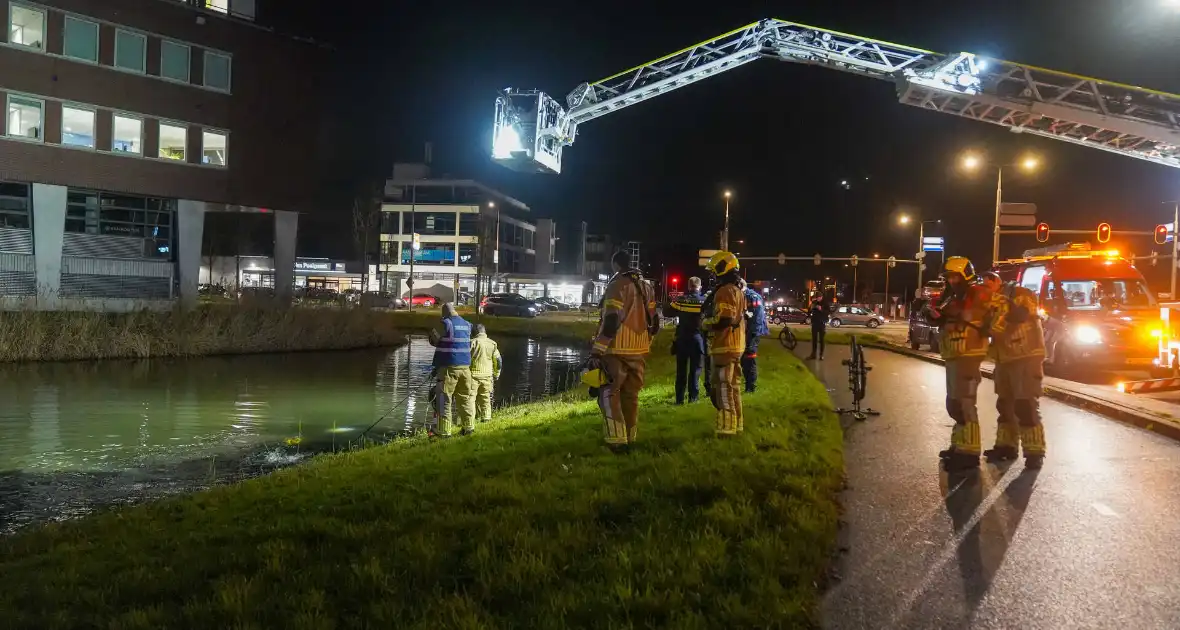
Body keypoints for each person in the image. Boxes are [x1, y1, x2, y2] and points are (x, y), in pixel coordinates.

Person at [926, 257, 993, 471]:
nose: (951, 281)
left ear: (965, 275)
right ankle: (959, 447)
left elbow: (967, 313)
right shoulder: (956, 296)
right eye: (949, 277)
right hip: (954, 355)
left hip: (968, 355)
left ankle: (970, 454)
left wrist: (943, 313)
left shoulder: (977, 293)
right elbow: (945, 316)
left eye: (955, 276)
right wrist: (931, 313)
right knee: (954, 404)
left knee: (964, 404)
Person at [591, 250, 659, 452]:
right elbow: (655, 323)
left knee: (609, 394)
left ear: (615, 264)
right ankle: (631, 437)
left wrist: (597, 350)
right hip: (639, 350)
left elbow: (611, 321)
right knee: (631, 395)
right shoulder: (647, 287)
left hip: (616, 350)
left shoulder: (617, 285)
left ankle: (616, 441)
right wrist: (646, 343)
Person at [981, 271, 1047, 469]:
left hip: (1026, 355)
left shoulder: (1020, 293)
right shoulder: (991, 301)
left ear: (996, 282)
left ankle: (1035, 452)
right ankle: (1006, 447)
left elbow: (1021, 314)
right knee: (1005, 404)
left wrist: (1001, 306)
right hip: (1005, 358)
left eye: (986, 285)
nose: (984, 290)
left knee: (1025, 404)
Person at [703, 251, 747, 436]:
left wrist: (705, 323)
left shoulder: (725, 291)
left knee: (723, 388)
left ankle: (726, 429)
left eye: (714, 271)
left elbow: (725, 319)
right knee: (733, 387)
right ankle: (737, 424)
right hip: (735, 345)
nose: (713, 275)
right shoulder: (736, 290)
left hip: (725, 345)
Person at [427, 303, 476, 437]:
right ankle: (469, 428)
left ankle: (444, 431)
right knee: (465, 398)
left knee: (444, 400)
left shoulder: (446, 323)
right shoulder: (467, 324)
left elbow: (435, 340)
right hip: (465, 368)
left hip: (449, 368)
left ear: (444, 313)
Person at [667, 276, 706, 404]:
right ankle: (693, 398)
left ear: (689, 287)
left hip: (682, 339)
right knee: (695, 370)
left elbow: (667, 311)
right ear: (699, 287)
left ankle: (679, 399)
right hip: (697, 339)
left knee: (681, 371)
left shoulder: (681, 300)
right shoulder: (703, 301)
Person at [469, 323, 503, 424]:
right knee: (485, 398)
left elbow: (464, 359)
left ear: (474, 332)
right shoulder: (492, 344)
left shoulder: (472, 343)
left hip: (473, 376)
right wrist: (496, 374)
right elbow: (498, 361)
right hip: (487, 376)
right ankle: (487, 418)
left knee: (471, 399)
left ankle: (470, 422)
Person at [740, 278, 768, 393]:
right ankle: (748, 384)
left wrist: (751, 334)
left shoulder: (753, 297)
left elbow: (758, 317)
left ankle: (751, 386)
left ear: (740, 286)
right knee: (744, 359)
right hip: (746, 332)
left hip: (752, 332)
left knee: (749, 358)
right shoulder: (743, 296)